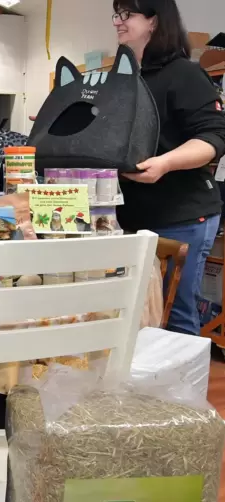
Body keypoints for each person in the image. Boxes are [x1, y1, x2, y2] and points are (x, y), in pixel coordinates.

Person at [112, 0, 225, 335]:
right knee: (141, 316)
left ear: (154, 21)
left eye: (126, 14)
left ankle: (181, 389)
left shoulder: (185, 73)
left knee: (174, 315)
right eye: (116, 14)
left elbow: (214, 137)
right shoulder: (127, 78)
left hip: (182, 216)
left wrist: (165, 163)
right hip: (134, 216)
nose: (117, 22)